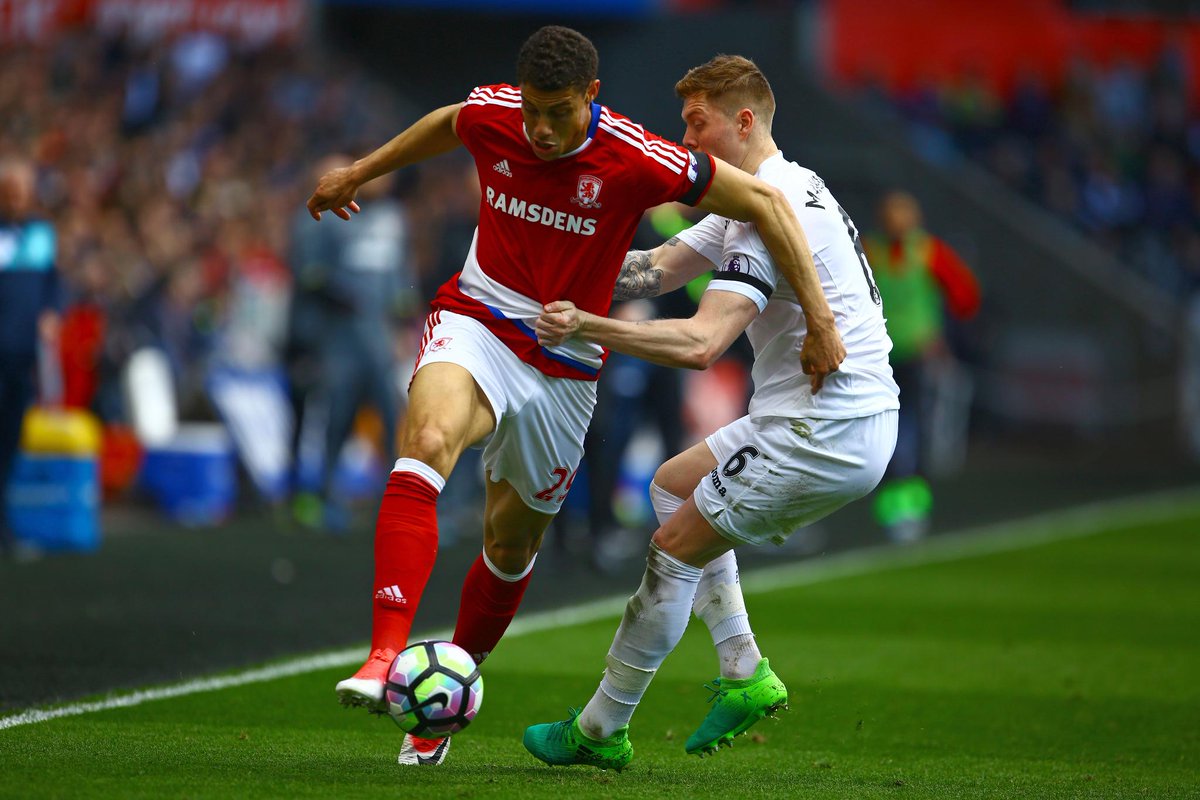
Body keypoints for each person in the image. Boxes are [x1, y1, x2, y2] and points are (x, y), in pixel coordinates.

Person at [305, 27, 845, 766]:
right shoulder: (497, 113)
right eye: (532, 109)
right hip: (481, 318)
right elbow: (450, 121)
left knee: (510, 544)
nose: (539, 127)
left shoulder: (637, 155)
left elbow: (765, 203)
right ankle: (383, 654)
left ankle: (445, 694)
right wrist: (359, 173)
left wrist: (820, 317)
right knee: (427, 442)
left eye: (557, 111)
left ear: (590, 96)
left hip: (566, 360)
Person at [522, 54, 899, 770]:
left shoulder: (764, 211)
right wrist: (557, 263)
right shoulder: (771, 192)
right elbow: (656, 269)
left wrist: (585, 325)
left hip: (823, 427)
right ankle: (742, 669)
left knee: (672, 548)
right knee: (672, 486)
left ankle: (600, 729)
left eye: (698, 124)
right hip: (827, 414)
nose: (686, 141)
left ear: (744, 121)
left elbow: (701, 343)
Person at [287, 155, 411, 532]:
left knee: (391, 417)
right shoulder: (326, 216)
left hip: (379, 338)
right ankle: (324, 494)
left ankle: (395, 501)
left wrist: (403, 323)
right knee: (337, 415)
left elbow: (400, 281)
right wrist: (345, 297)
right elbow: (310, 274)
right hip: (338, 338)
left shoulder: (392, 219)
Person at [862, 191, 980, 542]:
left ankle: (907, 509)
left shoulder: (899, 251)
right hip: (888, 356)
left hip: (902, 356)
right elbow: (966, 298)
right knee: (899, 432)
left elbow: (965, 297)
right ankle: (902, 510)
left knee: (907, 432)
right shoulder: (896, 250)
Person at [0, 155, 60, 558]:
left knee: (10, 436)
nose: (16, 197)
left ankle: (3, 522)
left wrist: (52, 312)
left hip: (22, 356)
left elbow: (52, 282)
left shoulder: (40, 233)